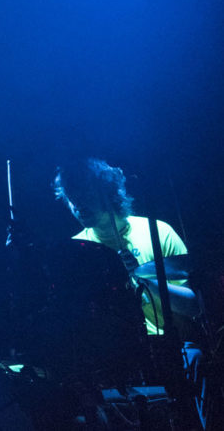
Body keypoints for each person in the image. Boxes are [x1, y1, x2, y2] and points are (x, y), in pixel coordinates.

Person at [54, 157, 209, 427]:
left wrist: (143, 277)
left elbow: (195, 306)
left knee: (196, 360)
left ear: (108, 191)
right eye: (70, 197)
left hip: (172, 348)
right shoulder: (74, 251)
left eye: (84, 194)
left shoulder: (158, 232)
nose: (77, 204)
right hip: (114, 358)